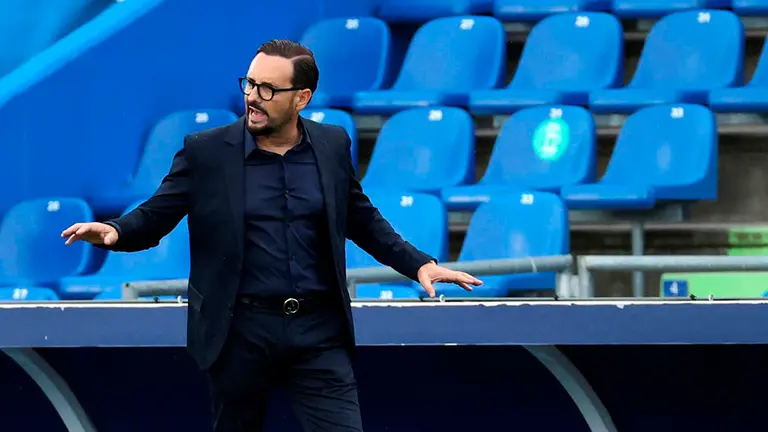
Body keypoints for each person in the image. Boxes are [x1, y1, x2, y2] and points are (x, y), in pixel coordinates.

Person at [61, 39, 483, 432]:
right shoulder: (206, 152)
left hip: (318, 331)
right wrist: (114, 231)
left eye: (267, 89)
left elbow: (361, 218)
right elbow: (157, 214)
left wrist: (419, 264)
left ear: (302, 98)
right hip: (239, 332)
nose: (251, 97)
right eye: (249, 83)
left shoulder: (331, 144)